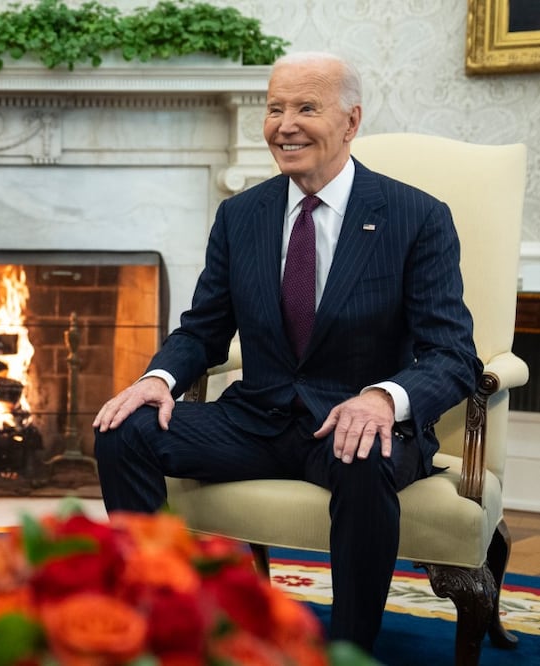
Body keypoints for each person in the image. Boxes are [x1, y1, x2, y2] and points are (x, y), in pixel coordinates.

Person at [93, 51, 481, 652]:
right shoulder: (241, 215)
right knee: (125, 429)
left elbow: (454, 353)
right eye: (274, 109)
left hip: (354, 424)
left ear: (350, 122)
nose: (285, 124)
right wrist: (159, 379)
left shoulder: (416, 217)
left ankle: (351, 647)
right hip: (258, 418)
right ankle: (160, 619)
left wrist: (383, 399)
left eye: (306, 108)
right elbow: (202, 329)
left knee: (364, 454)